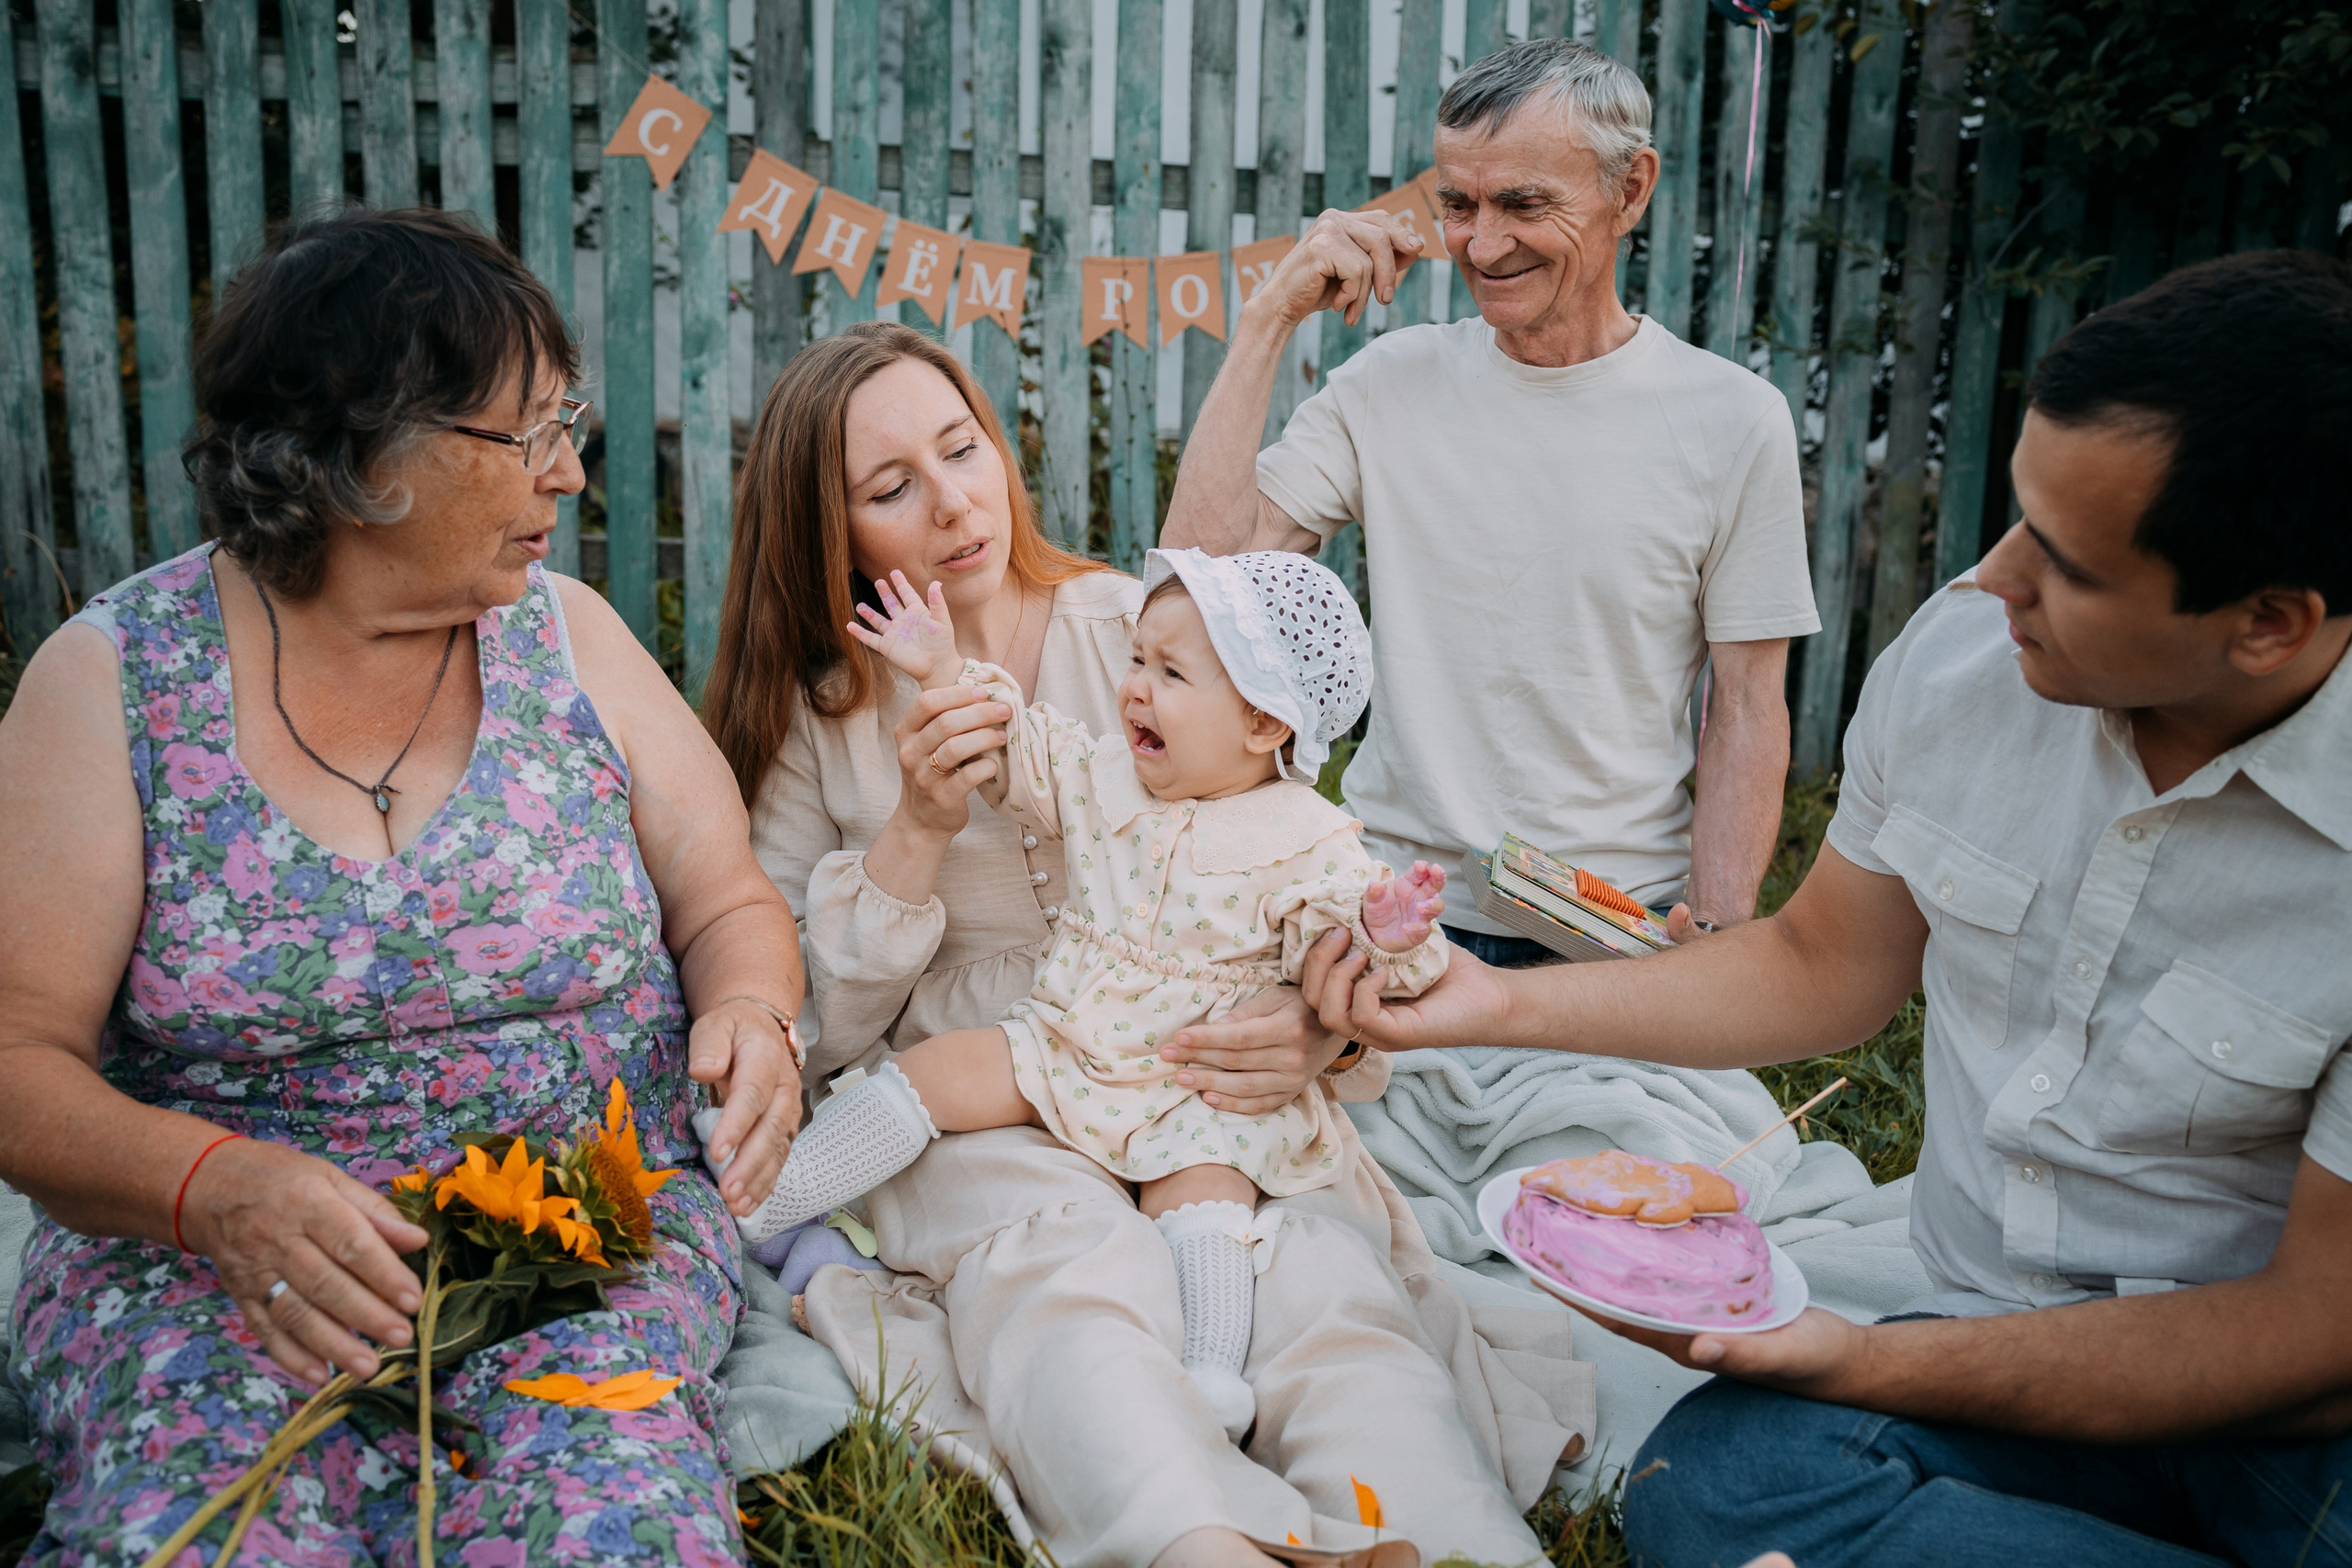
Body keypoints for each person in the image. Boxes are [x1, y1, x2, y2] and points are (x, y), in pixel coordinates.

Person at [1299, 250, 2352, 1567]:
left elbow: (2315, 1333)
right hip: (1983, 1336)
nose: (1996, 579)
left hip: (2293, 1418)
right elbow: (1819, 962)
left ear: (2270, 623)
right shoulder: (1970, 661)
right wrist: (1498, 999)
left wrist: (1859, 1360)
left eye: (2067, 563)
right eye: (2013, 515)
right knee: (1718, 1480)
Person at [701, 321, 1588, 1568]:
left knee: (1319, 1291)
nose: (956, 502)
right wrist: (915, 830)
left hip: (1206, 1077)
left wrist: (1313, 1024)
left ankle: (1452, 1543)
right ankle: (1192, 1538)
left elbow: (1293, 867)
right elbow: (808, 1022)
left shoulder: (1139, 624)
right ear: (829, 533)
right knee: (1071, 1278)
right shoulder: (821, 713)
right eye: (893, 487)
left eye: (963, 448)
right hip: (992, 1086)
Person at [0, 209, 804, 1562]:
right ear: (367, 452)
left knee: (612, 1522)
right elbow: (17, 1057)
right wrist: (211, 1186)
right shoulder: (115, 680)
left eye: (571, 423)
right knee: (202, 1530)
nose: (569, 472)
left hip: (577, 1235)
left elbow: (726, 900)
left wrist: (756, 1012)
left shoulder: (573, 639)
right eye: (530, 431)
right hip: (215, 1261)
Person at [724, 548, 1450, 1439]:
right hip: (1065, 1039)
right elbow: (1016, 743)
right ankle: (767, 1199)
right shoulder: (1106, 775)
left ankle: (1212, 1370)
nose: (1136, 687)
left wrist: (1389, 934)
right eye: (1137, 660)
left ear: (1263, 724)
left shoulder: (1308, 840)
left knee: (1206, 1196)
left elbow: (1361, 974)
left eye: (1171, 673)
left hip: (1196, 1084)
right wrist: (945, 671)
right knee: (941, 1068)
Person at [1160, 38, 1816, 953]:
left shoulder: (1734, 420)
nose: (1483, 242)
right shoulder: (1388, 383)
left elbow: (1747, 705)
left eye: (1523, 204)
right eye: (1458, 206)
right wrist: (1272, 315)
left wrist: (1712, 935)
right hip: (1386, 908)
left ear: (1630, 190)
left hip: (1612, 922)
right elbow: (1202, 582)